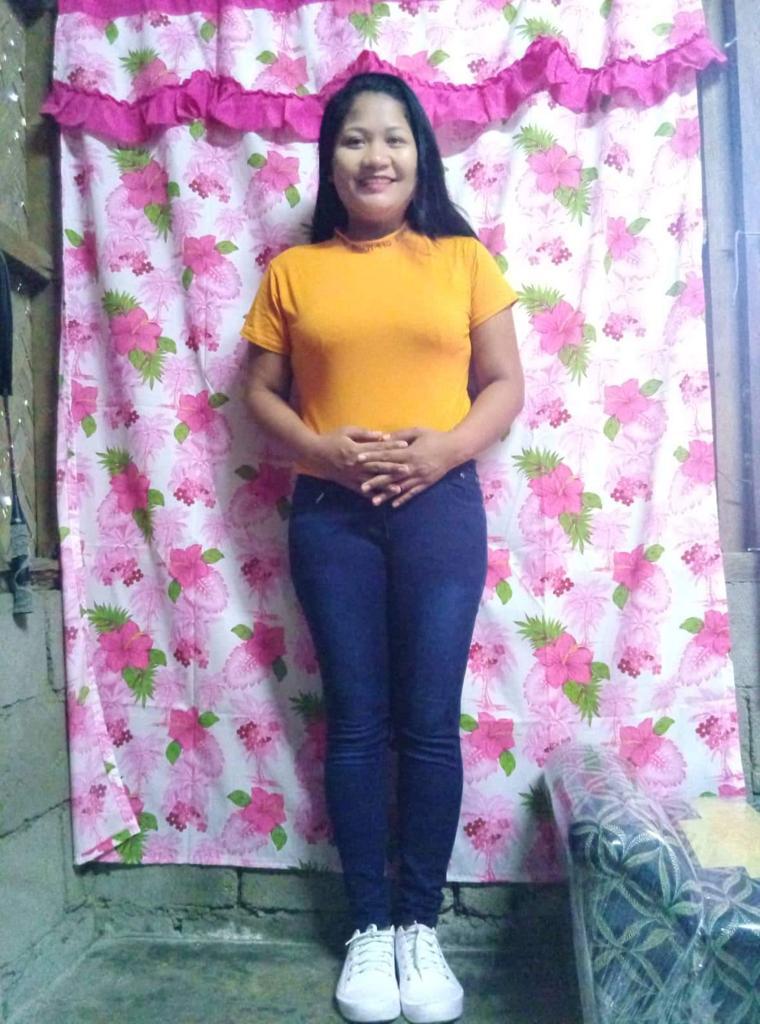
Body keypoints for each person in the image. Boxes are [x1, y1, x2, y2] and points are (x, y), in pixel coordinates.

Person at [242, 71, 523, 1024]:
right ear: (331, 161)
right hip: (331, 516)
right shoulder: (295, 271)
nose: (375, 156)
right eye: (354, 139)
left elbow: (505, 383)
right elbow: (259, 392)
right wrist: (319, 450)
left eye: (394, 138)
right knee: (357, 722)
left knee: (429, 722)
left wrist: (444, 449)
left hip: (441, 509)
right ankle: (369, 926)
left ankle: (418, 927)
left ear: (420, 154)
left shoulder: (463, 260)